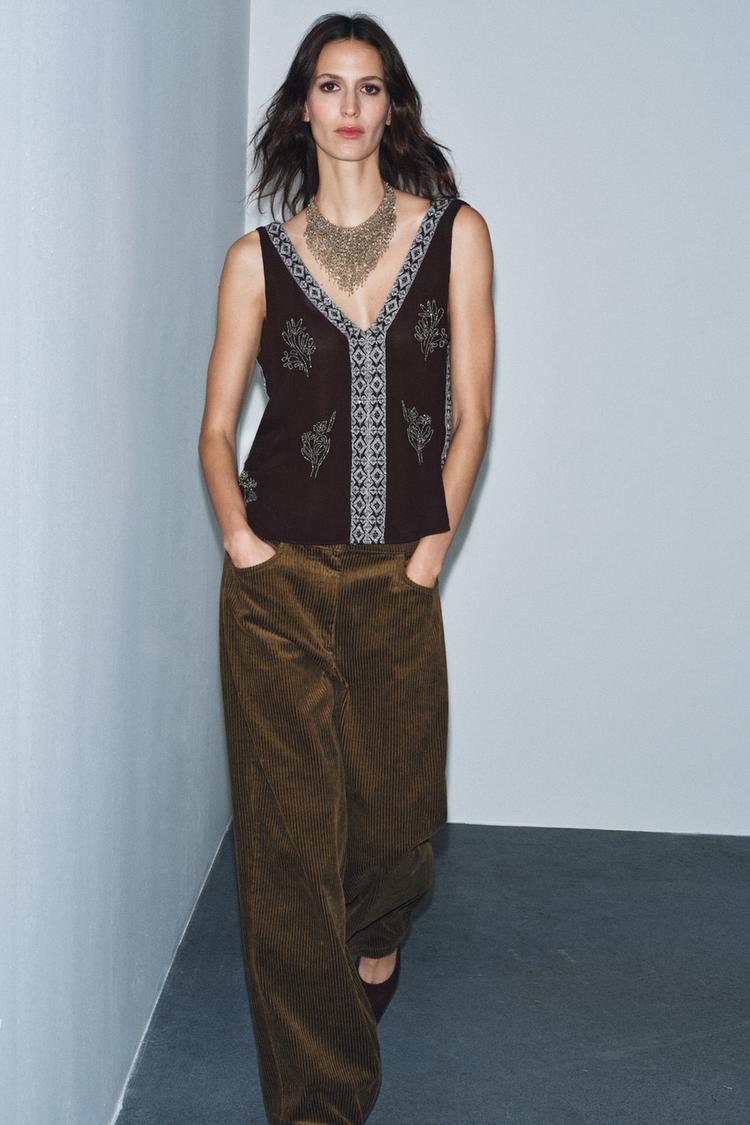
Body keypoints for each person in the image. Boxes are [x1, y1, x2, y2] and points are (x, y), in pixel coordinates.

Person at [198, 11, 494, 1123]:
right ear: (302, 109)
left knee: (394, 830)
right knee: (287, 853)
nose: (351, 106)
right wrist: (242, 543)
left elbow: (471, 415)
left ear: (393, 106)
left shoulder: (456, 235)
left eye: (370, 87)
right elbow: (214, 430)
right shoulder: (255, 261)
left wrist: (429, 558)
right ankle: (321, 1099)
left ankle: (377, 938)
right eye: (330, 86)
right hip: (276, 585)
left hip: (393, 582)